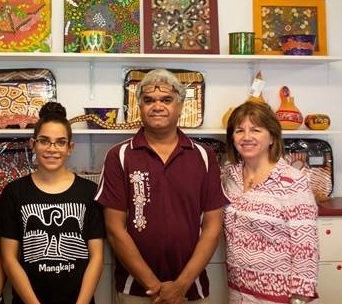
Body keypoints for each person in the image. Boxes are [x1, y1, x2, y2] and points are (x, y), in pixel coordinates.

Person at [95, 69, 227, 304]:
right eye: (149, 100)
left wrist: (180, 286)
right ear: (139, 106)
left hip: (191, 288)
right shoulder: (119, 156)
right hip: (135, 290)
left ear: (180, 106)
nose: (157, 106)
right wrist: (156, 288)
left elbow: (212, 228)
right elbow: (115, 230)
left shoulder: (204, 157)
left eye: (166, 99)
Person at [0, 102, 105, 304]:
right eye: (44, 141)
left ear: (70, 147)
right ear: (33, 144)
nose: (52, 149)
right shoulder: (14, 192)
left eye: (60, 142)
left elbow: (97, 258)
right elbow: (9, 258)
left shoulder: (88, 192)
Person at [221, 101, 319, 304]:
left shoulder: (292, 180)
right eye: (240, 130)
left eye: (255, 130)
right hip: (237, 291)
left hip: (279, 296)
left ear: (272, 137)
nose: (246, 137)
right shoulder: (229, 175)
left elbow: (306, 246)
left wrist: (299, 298)